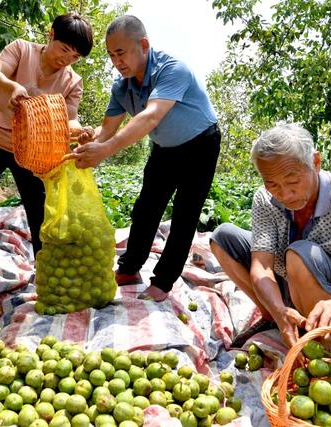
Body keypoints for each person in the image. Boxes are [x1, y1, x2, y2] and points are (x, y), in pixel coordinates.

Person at [66, 15, 221, 302]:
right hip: (164, 148)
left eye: (121, 52)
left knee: (184, 216)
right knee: (146, 207)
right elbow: (107, 129)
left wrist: (106, 149)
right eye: (111, 55)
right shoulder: (121, 87)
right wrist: (89, 142)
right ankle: (128, 269)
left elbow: (150, 117)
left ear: (144, 45)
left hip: (201, 144)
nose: (116, 61)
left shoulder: (173, 69)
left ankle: (162, 283)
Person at [210, 123, 331, 348]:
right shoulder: (265, 198)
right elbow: (262, 266)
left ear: (316, 163)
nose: (284, 194)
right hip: (287, 286)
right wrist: (279, 310)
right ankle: (276, 318)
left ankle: (322, 342)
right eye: (272, 184)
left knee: (300, 253)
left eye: (293, 182)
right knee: (224, 237)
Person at [0, 13, 94, 274]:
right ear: (51, 35)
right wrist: (11, 87)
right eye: (64, 49)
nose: (66, 59)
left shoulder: (73, 82)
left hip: (34, 154)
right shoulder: (21, 49)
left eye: (74, 57)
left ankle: (44, 269)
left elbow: (69, 122)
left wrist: (80, 133)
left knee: (39, 208)